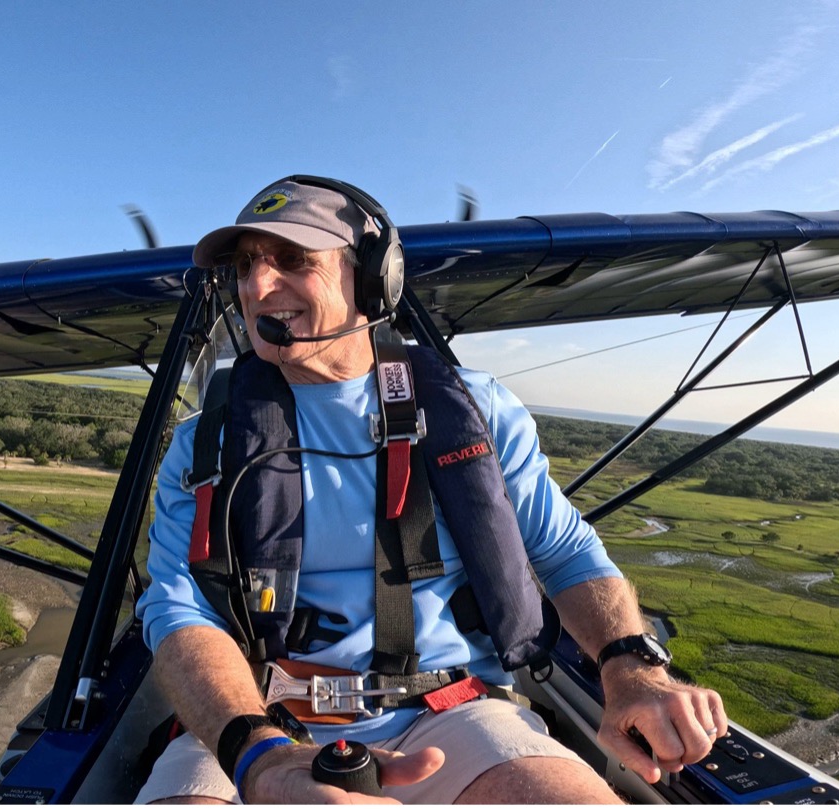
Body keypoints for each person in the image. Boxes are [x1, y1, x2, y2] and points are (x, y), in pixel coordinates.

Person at [134, 177, 727, 804]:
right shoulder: (205, 445)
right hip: (253, 721)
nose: (256, 286)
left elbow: (563, 552)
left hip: (449, 710)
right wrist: (259, 756)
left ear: (372, 278)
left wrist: (632, 667)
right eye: (246, 264)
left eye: (292, 259)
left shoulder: (476, 409)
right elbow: (179, 611)